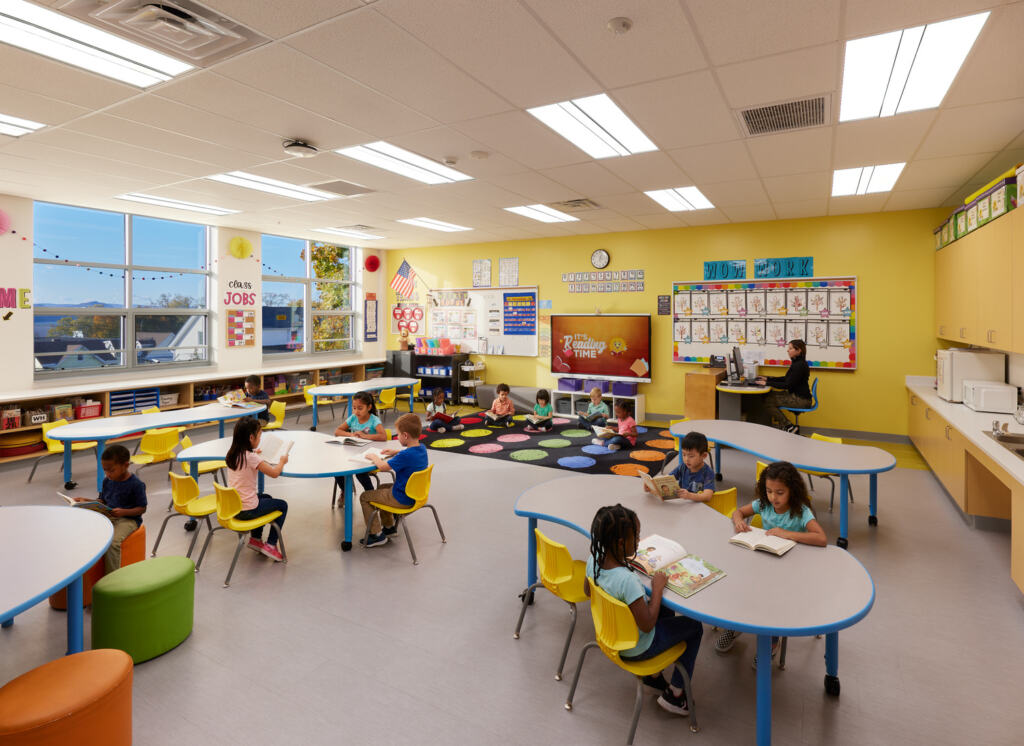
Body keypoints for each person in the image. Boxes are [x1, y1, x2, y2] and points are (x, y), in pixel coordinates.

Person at [585, 504, 703, 716]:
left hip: (610, 636)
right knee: (694, 626)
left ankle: (654, 677)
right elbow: (647, 625)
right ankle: (676, 695)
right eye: (636, 536)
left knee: (665, 611)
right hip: (636, 648)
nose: (639, 540)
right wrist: (657, 588)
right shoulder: (627, 581)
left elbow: (587, 591)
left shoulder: (593, 560)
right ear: (621, 543)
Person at [715, 461, 826, 660]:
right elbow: (738, 511)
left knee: (773, 600)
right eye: (769, 491)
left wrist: (788, 534)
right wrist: (738, 520)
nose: (773, 497)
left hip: (790, 568)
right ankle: (733, 626)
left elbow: (821, 538)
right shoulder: (763, 504)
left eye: (780, 492)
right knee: (738, 585)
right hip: (763, 561)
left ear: (792, 490)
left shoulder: (800, 511)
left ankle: (772, 639)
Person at [73, 444, 147, 574]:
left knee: (113, 543)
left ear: (126, 465)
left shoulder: (136, 485)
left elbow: (142, 508)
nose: (108, 474)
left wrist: (124, 512)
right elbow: (102, 501)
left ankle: (112, 578)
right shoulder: (107, 481)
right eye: (105, 470)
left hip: (128, 519)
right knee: (85, 529)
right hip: (109, 514)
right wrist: (86, 501)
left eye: (111, 470)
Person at [224, 417, 289, 562]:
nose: (260, 438)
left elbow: (248, 461)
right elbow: (274, 473)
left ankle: (256, 539)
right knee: (283, 505)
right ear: (251, 437)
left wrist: (255, 453)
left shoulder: (232, 454)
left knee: (266, 496)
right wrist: (282, 462)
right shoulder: (251, 457)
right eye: (259, 435)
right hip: (247, 510)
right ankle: (271, 545)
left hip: (234, 507)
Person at [360, 413, 429, 548]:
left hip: (402, 499)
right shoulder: (422, 448)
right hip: (416, 495)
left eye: (397, 434)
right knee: (383, 488)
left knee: (364, 497)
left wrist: (374, 457)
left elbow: (383, 467)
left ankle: (376, 535)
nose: (396, 437)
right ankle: (389, 527)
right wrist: (395, 452)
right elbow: (408, 454)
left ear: (405, 435)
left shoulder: (405, 455)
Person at [751, 339, 812, 433]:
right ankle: (786, 426)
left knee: (767, 401)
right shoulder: (797, 363)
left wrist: (767, 383)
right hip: (798, 397)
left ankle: (789, 426)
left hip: (801, 400)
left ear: (798, 350)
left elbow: (787, 385)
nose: (788, 350)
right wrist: (768, 379)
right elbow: (786, 378)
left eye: (790, 348)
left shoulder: (799, 365)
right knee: (767, 395)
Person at [334, 391, 388, 495]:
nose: (356, 411)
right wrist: (351, 435)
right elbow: (337, 431)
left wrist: (365, 436)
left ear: (369, 407)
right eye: (354, 408)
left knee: (360, 473)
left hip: (369, 455)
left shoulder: (374, 420)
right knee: (338, 469)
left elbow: (383, 436)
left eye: (360, 408)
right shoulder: (353, 418)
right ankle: (345, 492)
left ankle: (371, 494)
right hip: (355, 452)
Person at [653, 431, 714, 502]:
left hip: (698, 506)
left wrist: (690, 496)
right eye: (684, 454)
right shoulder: (683, 466)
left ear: (704, 456)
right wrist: (652, 485)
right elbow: (667, 479)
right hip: (683, 504)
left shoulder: (708, 473)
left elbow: (707, 496)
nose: (686, 459)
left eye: (691, 456)